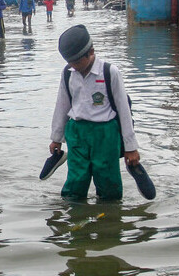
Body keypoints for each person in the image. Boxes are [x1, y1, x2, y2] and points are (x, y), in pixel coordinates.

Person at [48, 25, 140, 200]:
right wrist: (56, 138)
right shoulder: (68, 73)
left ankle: (110, 218)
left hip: (105, 134)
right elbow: (62, 105)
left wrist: (130, 148)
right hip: (77, 134)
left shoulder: (109, 72)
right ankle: (74, 215)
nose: (73, 66)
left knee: (108, 181)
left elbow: (123, 110)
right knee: (76, 180)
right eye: (70, 63)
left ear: (90, 52)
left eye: (77, 62)